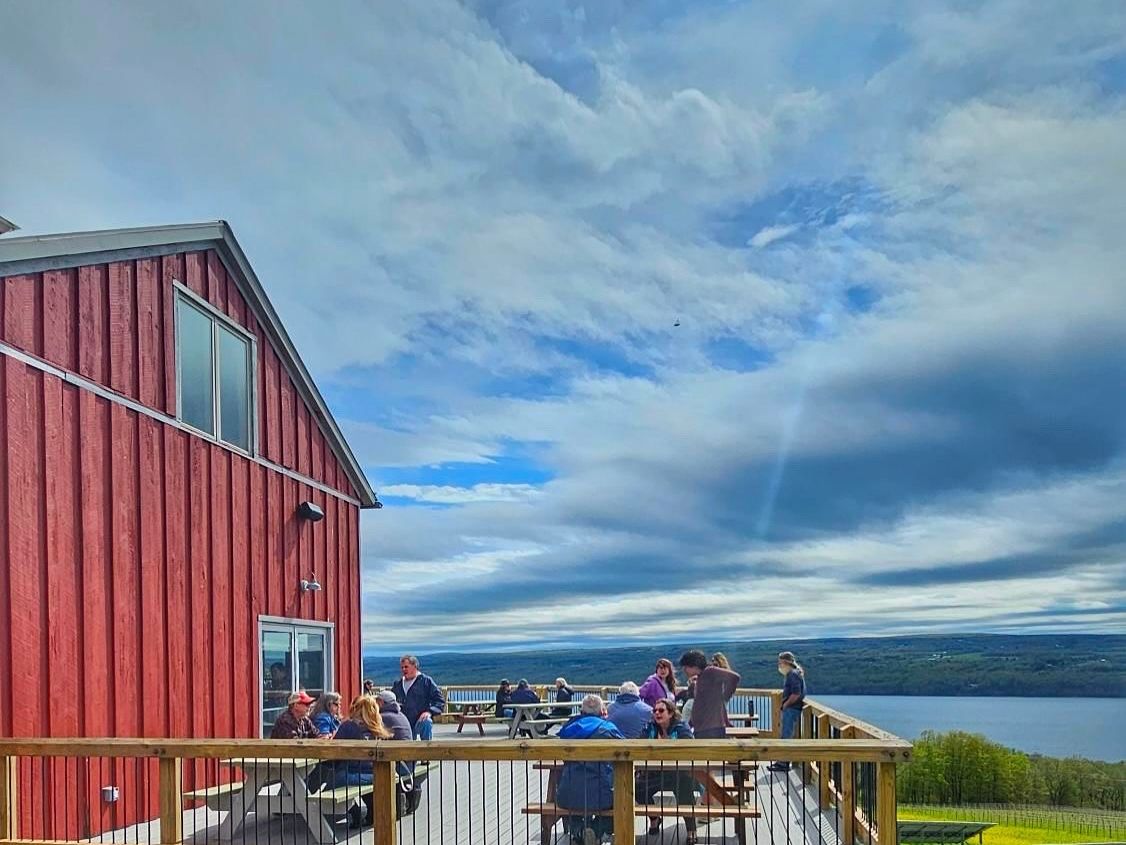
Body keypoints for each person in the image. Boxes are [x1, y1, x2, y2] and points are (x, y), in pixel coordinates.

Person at [557, 695, 624, 845]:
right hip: (601, 794)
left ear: (581, 711)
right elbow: (626, 752)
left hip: (568, 793)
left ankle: (579, 831)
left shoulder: (568, 729)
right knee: (623, 801)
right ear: (602, 711)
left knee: (564, 802)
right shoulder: (609, 730)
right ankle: (596, 829)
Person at [638, 700, 699, 844]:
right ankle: (655, 817)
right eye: (655, 711)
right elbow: (639, 743)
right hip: (654, 772)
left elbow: (689, 745)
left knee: (685, 791)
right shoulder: (649, 727)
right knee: (638, 788)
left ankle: (691, 830)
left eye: (661, 710)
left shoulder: (681, 727)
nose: (657, 713)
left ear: (671, 713)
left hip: (678, 772)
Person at [330, 695, 392, 828]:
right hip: (376, 773)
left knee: (332, 779)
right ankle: (371, 812)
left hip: (355, 773)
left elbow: (333, 750)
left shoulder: (349, 726)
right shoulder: (377, 728)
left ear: (357, 709)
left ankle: (353, 810)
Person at [678, 649, 739, 738]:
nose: (684, 670)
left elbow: (734, 677)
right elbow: (699, 704)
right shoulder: (700, 677)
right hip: (701, 728)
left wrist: (725, 697)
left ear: (694, 666)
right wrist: (690, 723)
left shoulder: (710, 671)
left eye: (686, 667)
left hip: (711, 729)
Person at [767, 651, 807, 773]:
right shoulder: (796, 673)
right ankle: (782, 761)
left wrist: (785, 705)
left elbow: (796, 693)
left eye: (780, 663)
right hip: (793, 708)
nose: (779, 665)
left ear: (786, 663)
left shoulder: (792, 675)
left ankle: (783, 763)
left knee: (786, 736)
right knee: (786, 734)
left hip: (791, 709)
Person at [391, 654, 445, 741]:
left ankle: (427, 750)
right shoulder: (398, 684)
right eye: (401, 667)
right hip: (404, 721)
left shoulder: (426, 681)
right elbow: (391, 701)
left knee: (427, 722)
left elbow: (440, 701)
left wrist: (429, 712)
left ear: (415, 666)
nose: (403, 670)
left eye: (406, 667)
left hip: (420, 720)